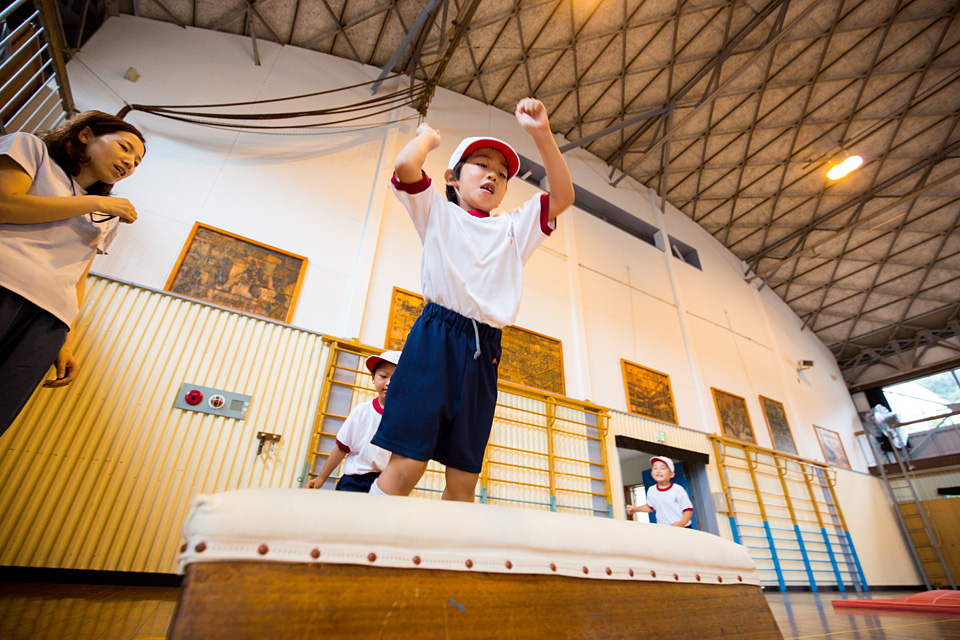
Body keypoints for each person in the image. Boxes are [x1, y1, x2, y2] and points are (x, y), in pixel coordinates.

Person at [369, 97, 574, 502]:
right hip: (436, 338)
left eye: (502, 173)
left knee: (464, 479)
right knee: (408, 464)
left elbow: (563, 195)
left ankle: (447, 544)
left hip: (485, 350)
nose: (493, 175)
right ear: (452, 177)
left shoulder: (513, 228)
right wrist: (427, 138)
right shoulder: (437, 211)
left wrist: (542, 134)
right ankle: (366, 535)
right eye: (481, 164)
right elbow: (406, 166)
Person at [0, 111, 145, 436]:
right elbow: (5, 205)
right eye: (124, 148)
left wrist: (66, 341)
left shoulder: (104, 214)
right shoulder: (31, 150)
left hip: (50, 320)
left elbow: (79, 276)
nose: (130, 163)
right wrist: (95, 203)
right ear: (85, 135)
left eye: (137, 162)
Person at [306, 350, 400, 492]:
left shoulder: (403, 418)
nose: (388, 383)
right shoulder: (361, 411)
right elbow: (341, 448)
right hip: (354, 481)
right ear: (373, 377)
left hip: (385, 483)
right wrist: (321, 478)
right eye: (383, 376)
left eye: (395, 378)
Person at [626, 457, 694, 527]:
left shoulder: (677, 489)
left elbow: (688, 509)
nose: (658, 471)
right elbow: (650, 507)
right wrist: (635, 509)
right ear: (651, 473)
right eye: (655, 468)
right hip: (664, 528)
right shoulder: (651, 490)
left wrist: (682, 523)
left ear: (671, 474)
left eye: (663, 468)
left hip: (682, 527)